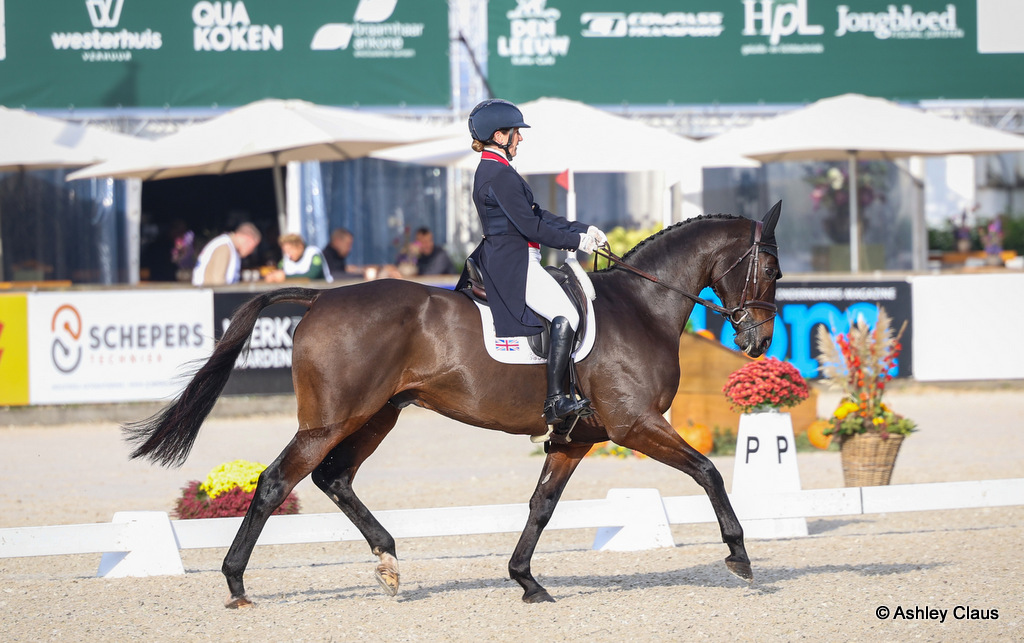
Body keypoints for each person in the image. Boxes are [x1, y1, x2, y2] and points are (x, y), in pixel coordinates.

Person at [457, 98, 607, 425]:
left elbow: (536, 214)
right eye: (515, 133)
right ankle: (555, 400)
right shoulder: (498, 174)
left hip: (510, 255)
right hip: (513, 261)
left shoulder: (496, 169)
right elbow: (531, 227)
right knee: (566, 313)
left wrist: (583, 229)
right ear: (499, 136)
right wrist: (576, 243)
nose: (520, 139)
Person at [191, 222, 262, 286]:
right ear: (247, 239)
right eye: (253, 246)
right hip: (208, 297)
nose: (251, 251)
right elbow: (218, 281)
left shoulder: (230, 246)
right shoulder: (224, 247)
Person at [265, 234, 333, 283]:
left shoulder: (314, 254)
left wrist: (285, 277)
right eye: (285, 251)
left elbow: (312, 276)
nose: (288, 254)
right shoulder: (286, 259)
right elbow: (280, 270)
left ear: (300, 246)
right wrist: (273, 276)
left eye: (290, 250)